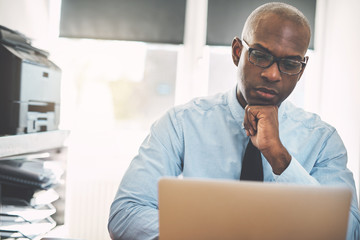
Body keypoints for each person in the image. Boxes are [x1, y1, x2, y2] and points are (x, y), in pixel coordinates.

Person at [108, 2, 360, 240]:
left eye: (290, 63)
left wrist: (279, 157)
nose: (273, 74)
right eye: (260, 55)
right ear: (237, 52)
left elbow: (349, 233)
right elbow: (126, 213)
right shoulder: (181, 123)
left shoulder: (324, 141)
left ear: (301, 70)